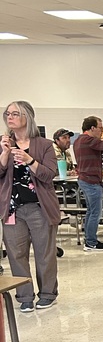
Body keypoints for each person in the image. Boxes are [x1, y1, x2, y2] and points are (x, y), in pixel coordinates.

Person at [0, 101, 60, 312]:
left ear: (28, 117)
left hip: (39, 207)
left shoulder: (44, 145)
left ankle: (47, 294)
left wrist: (29, 160)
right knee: (16, 254)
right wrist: (4, 155)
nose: (10, 117)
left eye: (15, 113)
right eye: (8, 114)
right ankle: (24, 296)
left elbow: (49, 175)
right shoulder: (3, 143)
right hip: (12, 209)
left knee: (44, 253)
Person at [73, 115, 103, 252]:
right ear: (92, 128)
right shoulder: (89, 140)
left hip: (85, 179)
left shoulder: (79, 140)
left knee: (91, 212)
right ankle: (90, 242)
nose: (102, 131)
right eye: (100, 128)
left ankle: (90, 239)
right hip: (91, 181)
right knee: (95, 213)